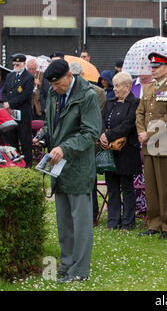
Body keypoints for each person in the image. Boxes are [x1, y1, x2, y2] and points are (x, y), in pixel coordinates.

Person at [35, 59, 102, 283]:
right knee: (64, 221)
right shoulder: (55, 95)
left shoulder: (88, 96)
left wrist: (64, 148)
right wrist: (43, 135)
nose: (54, 88)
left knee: (80, 223)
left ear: (69, 77)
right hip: (58, 165)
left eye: (58, 84)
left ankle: (79, 271)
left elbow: (91, 133)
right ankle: (66, 264)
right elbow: (50, 123)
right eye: (51, 85)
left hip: (78, 166)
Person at [136, 52, 167, 239]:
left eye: (157, 67)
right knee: (151, 187)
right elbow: (140, 113)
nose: (153, 70)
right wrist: (142, 133)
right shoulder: (148, 88)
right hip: (148, 145)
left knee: (166, 188)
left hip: (165, 145)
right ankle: (154, 223)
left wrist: (149, 134)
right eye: (152, 67)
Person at [99, 71, 142, 230]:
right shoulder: (110, 102)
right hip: (110, 150)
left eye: (117, 86)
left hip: (126, 151)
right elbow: (102, 119)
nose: (114, 89)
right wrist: (102, 135)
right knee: (112, 186)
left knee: (126, 187)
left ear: (127, 86)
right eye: (114, 85)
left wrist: (108, 135)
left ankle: (128, 222)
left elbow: (128, 124)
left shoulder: (135, 103)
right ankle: (113, 220)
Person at [69, 61, 106, 226]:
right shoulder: (66, 93)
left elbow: (94, 117)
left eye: (77, 76)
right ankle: (75, 213)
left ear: (82, 75)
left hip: (88, 140)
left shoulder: (96, 92)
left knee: (88, 177)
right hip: (71, 140)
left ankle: (91, 215)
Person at [2, 53, 34, 168]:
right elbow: (4, 91)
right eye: (14, 64)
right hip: (11, 113)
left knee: (25, 140)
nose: (15, 66)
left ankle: (27, 164)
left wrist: (10, 103)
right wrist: (6, 104)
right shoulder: (10, 76)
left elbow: (25, 95)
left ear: (24, 64)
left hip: (23, 113)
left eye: (18, 64)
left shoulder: (29, 77)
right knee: (11, 139)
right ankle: (15, 163)